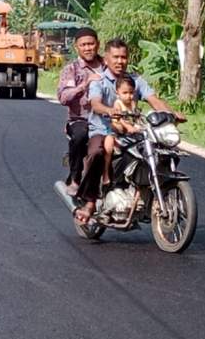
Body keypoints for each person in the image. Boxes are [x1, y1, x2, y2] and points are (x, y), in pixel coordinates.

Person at [74, 39, 186, 224]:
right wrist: (109, 110)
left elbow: (153, 100)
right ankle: (90, 201)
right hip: (103, 129)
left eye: (123, 57)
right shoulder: (99, 80)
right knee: (97, 153)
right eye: (115, 57)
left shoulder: (135, 80)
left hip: (132, 131)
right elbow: (95, 103)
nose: (120, 61)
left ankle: (145, 193)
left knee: (160, 151)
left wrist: (171, 113)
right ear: (107, 59)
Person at [57, 27, 105, 196]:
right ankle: (75, 178)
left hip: (109, 118)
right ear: (76, 47)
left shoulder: (108, 66)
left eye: (90, 44)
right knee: (80, 136)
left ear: (97, 44)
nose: (87, 48)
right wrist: (84, 85)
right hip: (80, 119)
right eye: (83, 45)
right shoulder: (72, 70)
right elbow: (63, 98)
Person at [102, 76, 141, 187]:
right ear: (117, 92)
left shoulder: (133, 103)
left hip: (130, 133)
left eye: (131, 92)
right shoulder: (118, 103)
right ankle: (105, 173)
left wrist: (139, 125)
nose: (129, 96)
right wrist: (128, 127)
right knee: (108, 146)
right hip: (116, 132)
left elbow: (137, 117)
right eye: (125, 93)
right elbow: (120, 119)